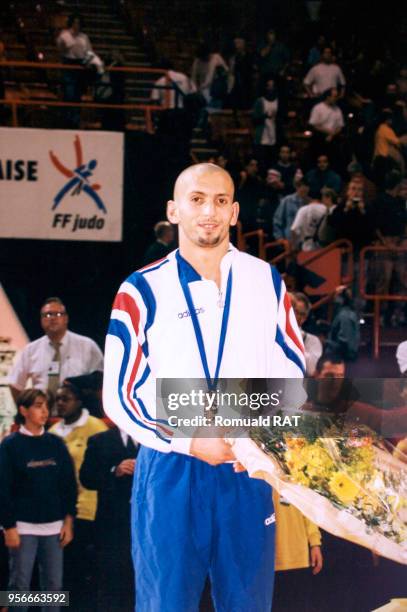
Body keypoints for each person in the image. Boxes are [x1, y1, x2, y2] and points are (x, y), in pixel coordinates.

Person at [103, 162, 305, 612]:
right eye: (196, 200)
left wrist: (257, 432)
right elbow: (120, 393)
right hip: (171, 468)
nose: (208, 212)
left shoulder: (265, 281)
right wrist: (191, 439)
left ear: (234, 212)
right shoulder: (140, 290)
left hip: (245, 464)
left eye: (219, 201)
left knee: (249, 604)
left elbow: (292, 369)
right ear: (174, 210)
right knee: (164, 604)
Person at [0, 390, 77, 612]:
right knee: (18, 589)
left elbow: (68, 485)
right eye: (38, 406)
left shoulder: (56, 443)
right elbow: (3, 488)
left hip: (54, 527)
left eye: (46, 406)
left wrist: (68, 522)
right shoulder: (10, 445)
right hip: (22, 527)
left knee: (54, 590)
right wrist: (9, 527)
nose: (45, 411)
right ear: (23, 410)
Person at [49, 381, 107, 611]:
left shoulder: (97, 428)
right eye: (57, 400)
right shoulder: (52, 433)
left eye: (66, 399)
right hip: (57, 512)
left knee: (87, 569)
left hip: (89, 510)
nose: (60, 404)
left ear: (79, 401)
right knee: (59, 573)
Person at [80, 426, 139, 612]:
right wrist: (115, 470)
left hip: (144, 522)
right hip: (111, 524)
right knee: (110, 578)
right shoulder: (99, 440)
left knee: (140, 578)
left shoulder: (152, 439)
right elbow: (87, 478)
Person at [8, 297, 104, 410]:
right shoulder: (31, 350)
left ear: (66, 318)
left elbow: (101, 381)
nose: (53, 318)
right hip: (43, 420)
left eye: (58, 314)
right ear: (41, 320)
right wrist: (27, 412)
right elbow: (15, 384)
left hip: (78, 419)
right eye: (48, 315)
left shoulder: (87, 346)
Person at [272, 489, 323, 612]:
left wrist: (315, 543)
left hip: (297, 556)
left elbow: (307, 506)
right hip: (267, 562)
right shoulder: (251, 473)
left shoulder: (293, 474)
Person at [290, 292, 323, 376]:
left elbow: (312, 369)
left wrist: (293, 340)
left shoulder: (312, 341)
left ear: (304, 318)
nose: (294, 315)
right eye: (293, 311)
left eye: (300, 313)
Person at [252, 78, 280, 172]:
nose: (270, 88)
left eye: (272, 86)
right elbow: (254, 119)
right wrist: (265, 116)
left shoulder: (278, 101)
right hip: (262, 138)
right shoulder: (260, 101)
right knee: (262, 163)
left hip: (274, 137)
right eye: (269, 85)